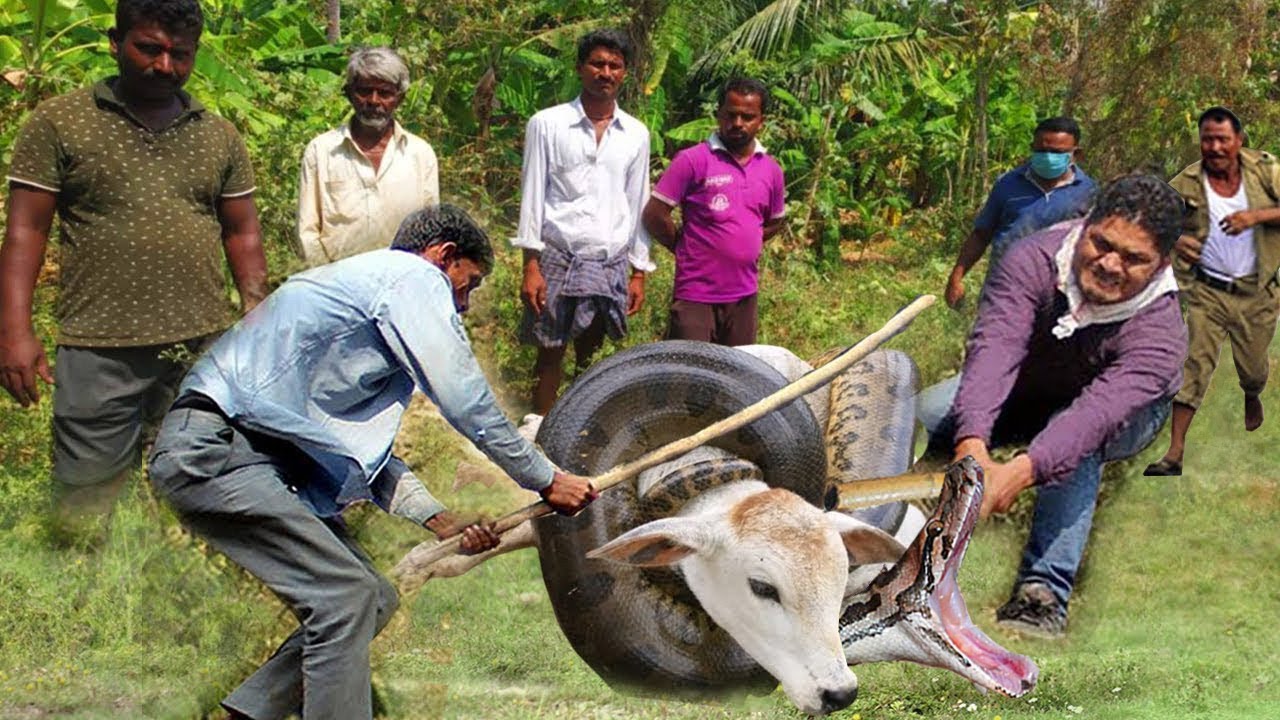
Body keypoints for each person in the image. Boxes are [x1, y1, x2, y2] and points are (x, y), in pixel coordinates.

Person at [148, 204, 597, 720]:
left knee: (373, 597)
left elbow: (353, 454)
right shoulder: (411, 277)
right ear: (443, 257)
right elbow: (466, 401)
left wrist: (441, 521)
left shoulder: (361, 300)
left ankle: (248, 713)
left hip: (228, 453)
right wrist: (547, 480)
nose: (466, 305)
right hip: (217, 450)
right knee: (345, 599)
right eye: (467, 286)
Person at [0, 0, 267, 524]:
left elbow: (243, 234)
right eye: (149, 48)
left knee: (201, 487)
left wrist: (257, 321)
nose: (164, 66)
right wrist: (14, 330)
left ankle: (181, 595)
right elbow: (26, 232)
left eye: (180, 55)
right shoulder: (60, 121)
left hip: (200, 348)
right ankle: (80, 601)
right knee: (85, 501)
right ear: (114, 41)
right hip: (98, 350)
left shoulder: (218, 135)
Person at [917, 175, 1188, 638]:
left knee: (1074, 445)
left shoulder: (1161, 334)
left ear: (1161, 263)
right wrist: (971, 442)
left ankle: (1042, 592)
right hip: (1031, 384)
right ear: (1086, 225)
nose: (1109, 263)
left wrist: (1017, 474)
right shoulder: (1032, 259)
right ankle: (881, 520)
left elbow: (1095, 416)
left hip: (1117, 416)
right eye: (1102, 243)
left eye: (1133, 258)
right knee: (922, 413)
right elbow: (995, 350)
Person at [512, 29, 654, 415]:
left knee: (590, 357)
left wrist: (639, 272)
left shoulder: (636, 135)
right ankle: (539, 434)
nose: (605, 72)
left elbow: (637, 202)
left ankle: (580, 432)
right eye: (597, 63)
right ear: (580, 68)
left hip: (607, 261)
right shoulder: (547, 124)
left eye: (614, 65)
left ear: (625, 73)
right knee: (549, 354)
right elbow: (533, 194)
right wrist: (531, 265)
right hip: (558, 256)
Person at [1144, 107, 1280, 477]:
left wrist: (1256, 217)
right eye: (1208, 139)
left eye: (1223, 139)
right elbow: (1154, 221)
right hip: (1207, 289)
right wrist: (1176, 238)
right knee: (1195, 365)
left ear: (1238, 141)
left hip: (1257, 290)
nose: (1215, 147)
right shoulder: (1186, 182)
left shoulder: (1266, 172)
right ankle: (1174, 454)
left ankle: (1252, 394)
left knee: (1253, 368)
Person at [641, 77, 785, 346]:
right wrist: (683, 246)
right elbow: (654, 214)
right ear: (719, 114)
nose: (738, 123)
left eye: (748, 116)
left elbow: (775, 221)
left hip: (744, 295)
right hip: (696, 294)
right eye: (731, 115)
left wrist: (745, 244)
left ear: (761, 121)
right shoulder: (693, 160)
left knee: (737, 375)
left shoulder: (771, 169)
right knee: (691, 374)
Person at [297, 47, 439, 265]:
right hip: (338, 283)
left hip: (402, 282)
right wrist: (328, 279)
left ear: (399, 98)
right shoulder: (321, 151)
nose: (373, 101)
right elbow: (308, 232)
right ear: (349, 93)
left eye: (384, 93)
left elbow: (431, 231)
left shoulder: (420, 154)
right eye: (364, 91)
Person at [945, 116, 1097, 308]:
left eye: (1056, 152)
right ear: (1032, 147)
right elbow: (982, 234)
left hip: (1057, 295)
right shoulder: (1008, 184)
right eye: (1041, 151)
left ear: (1077, 154)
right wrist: (956, 277)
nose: (1048, 157)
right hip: (1004, 289)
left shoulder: (1088, 192)